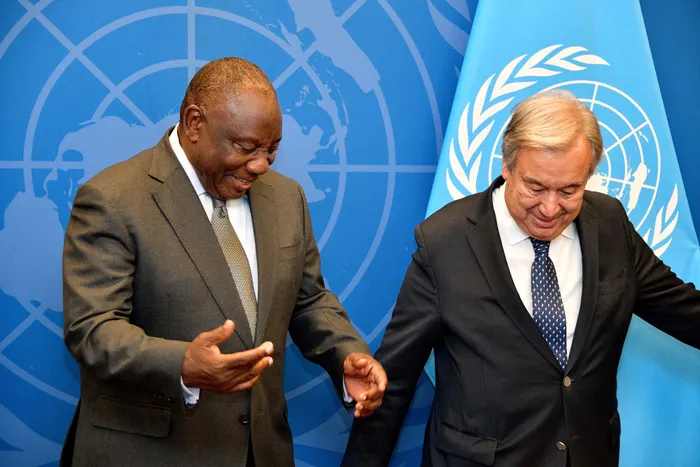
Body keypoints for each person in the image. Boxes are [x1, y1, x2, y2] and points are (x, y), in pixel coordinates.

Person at [342, 90, 700, 467]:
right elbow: (392, 383)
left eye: (569, 190)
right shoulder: (445, 242)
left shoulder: (609, 223)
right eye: (536, 187)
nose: (550, 208)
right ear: (507, 166)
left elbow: (684, 310)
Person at [61, 57, 386, 467]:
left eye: (272, 150)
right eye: (247, 147)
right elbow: (92, 329)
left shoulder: (286, 197)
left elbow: (307, 300)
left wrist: (346, 355)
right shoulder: (113, 199)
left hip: (260, 452)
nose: (261, 165)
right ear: (194, 123)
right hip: (152, 453)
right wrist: (182, 364)